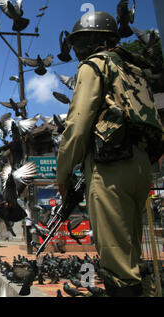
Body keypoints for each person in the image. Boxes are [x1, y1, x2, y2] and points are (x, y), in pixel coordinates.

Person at [56, 11, 164, 297]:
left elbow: (77, 127)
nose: (77, 50)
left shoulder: (94, 65)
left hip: (110, 167)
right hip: (141, 166)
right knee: (132, 255)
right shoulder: (133, 68)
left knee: (116, 262)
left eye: (80, 42)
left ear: (92, 42)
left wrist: (63, 173)